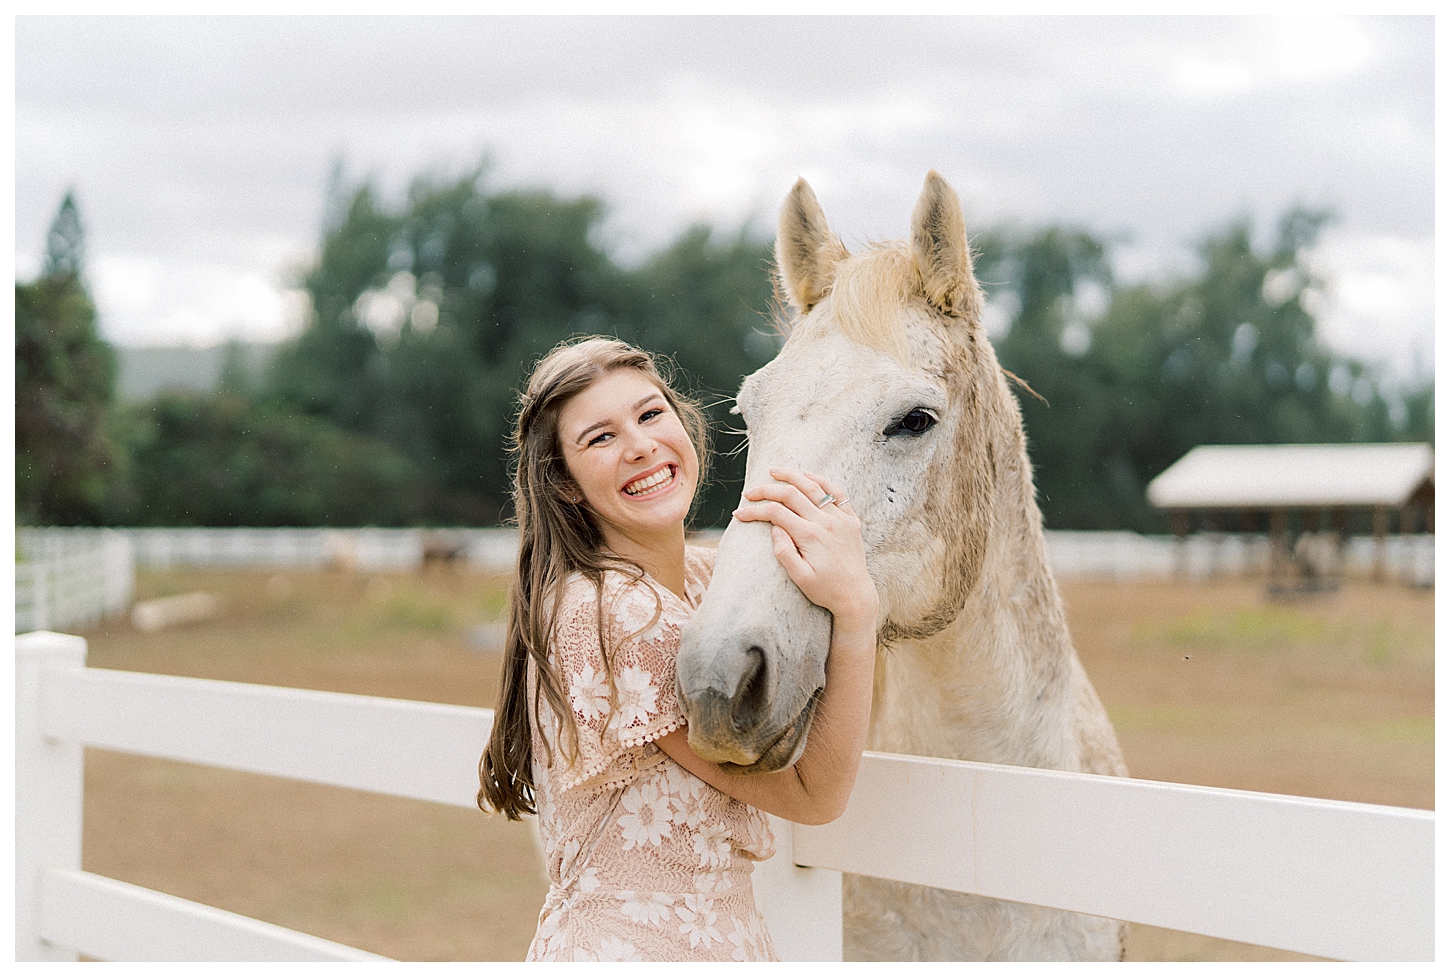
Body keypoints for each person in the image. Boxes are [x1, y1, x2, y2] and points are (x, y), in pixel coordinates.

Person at [478, 336, 878, 962]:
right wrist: (856, 610)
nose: (640, 445)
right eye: (600, 438)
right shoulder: (616, 615)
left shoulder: (700, 582)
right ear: (566, 486)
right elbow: (813, 794)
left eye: (650, 414)